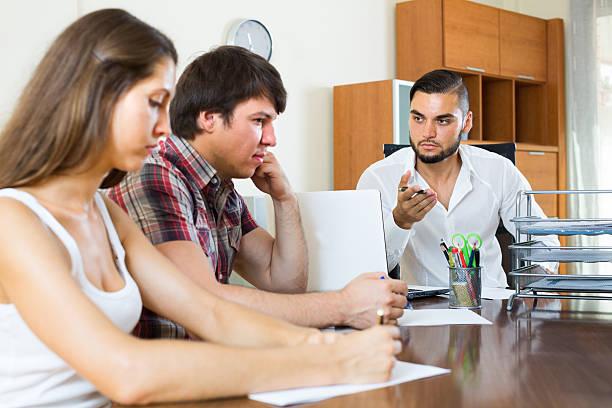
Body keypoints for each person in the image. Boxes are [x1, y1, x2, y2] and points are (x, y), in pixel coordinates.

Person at [0, 9, 401, 407]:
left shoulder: (104, 212)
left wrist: (325, 343)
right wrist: (328, 362)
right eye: (154, 104)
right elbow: (127, 373)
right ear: (97, 97)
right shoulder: (13, 220)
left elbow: (209, 311)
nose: (163, 127)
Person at [107, 45, 407, 336]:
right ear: (209, 118)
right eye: (259, 121)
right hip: (172, 372)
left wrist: (284, 199)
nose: (271, 139)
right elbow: (201, 302)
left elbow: (284, 282)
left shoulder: (221, 187)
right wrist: (344, 306)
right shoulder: (155, 174)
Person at [357, 69, 559, 288]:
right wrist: (400, 221)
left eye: (442, 121)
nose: (427, 132)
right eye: (418, 118)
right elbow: (368, 267)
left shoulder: (499, 170)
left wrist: (540, 279)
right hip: (425, 309)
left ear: (466, 122)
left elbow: (543, 237)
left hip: (491, 305)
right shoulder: (378, 178)